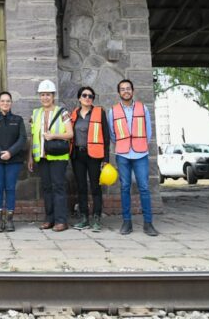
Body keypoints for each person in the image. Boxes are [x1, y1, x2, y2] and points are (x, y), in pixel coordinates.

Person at [107, 79, 159, 237]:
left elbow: (148, 132)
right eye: (122, 89)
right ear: (119, 93)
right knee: (124, 187)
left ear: (133, 90)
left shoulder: (143, 108)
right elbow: (112, 134)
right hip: (122, 153)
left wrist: (140, 144)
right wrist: (123, 145)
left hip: (140, 153)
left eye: (128, 88)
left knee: (144, 187)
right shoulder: (113, 111)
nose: (125, 91)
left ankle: (148, 223)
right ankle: (126, 222)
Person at [28, 79, 73, 232]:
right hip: (42, 157)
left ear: (53, 96)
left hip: (58, 157)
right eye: (42, 95)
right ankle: (50, 219)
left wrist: (54, 135)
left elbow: (70, 134)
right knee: (46, 188)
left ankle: (61, 221)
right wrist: (30, 157)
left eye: (48, 94)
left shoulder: (63, 112)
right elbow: (33, 136)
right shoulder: (36, 113)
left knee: (58, 187)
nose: (45, 98)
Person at [0, 91, 27, 232]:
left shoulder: (18, 119)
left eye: (8, 101)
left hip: (14, 160)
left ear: (11, 103)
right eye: (2, 101)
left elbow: (22, 139)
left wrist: (10, 152)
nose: (5, 103)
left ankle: (9, 220)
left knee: (10, 188)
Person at [70, 86, 110, 233]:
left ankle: (97, 218)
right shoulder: (73, 114)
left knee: (95, 187)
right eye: (85, 95)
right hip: (77, 155)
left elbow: (106, 137)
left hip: (95, 155)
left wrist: (106, 159)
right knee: (81, 187)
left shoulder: (99, 113)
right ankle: (84, 218)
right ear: (79, 98)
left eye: (91, 96)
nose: (88, 98)